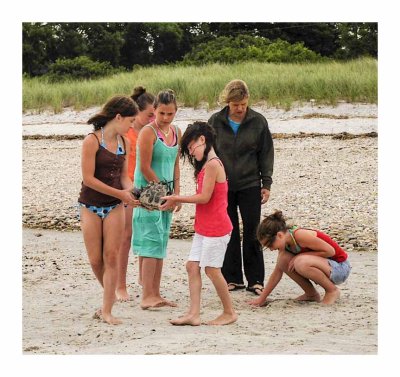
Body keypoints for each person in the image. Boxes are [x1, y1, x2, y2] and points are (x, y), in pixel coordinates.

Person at [160, 121, 238, 326]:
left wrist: (177, 198)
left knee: (212, 269)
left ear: (202, 140)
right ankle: (193, 314)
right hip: (204, 227)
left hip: (217, 228)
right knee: (192, 266)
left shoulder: (213, 164)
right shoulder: (207, 165)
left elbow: (204, 197)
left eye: (191, 147)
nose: (191, 153)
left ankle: (229, 312)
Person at [208, 79, 274, 296]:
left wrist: (266, 183)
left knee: (253, 231)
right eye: (236, 105)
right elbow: (209, 154)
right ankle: (233, 278)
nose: (240, 109)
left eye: (243, 104)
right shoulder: (215, 121)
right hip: (222, 185)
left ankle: (255, 280)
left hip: (250, 184)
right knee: (230, 231)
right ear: (228, 102)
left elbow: (266, 154)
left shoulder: (258, 121)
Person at [78, 95, 139, 325]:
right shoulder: (92, 141)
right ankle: (109, 295)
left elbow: (124, 177)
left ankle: (106, 310)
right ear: (118, 117)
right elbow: (88, 179)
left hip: (114, 206)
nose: (132, 126)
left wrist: (132, 193)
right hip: (90, 205)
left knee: (111, 257)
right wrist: (121, 194)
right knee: (95, 260)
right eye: (130, 121)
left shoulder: (125, 142)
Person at [132, 89, 182, 309]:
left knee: (161, 240)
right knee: (151, 240)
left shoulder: (177, 132)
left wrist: (177, 194)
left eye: (170, 114)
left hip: (167, 191)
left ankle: (155, 293)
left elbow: (175, 165)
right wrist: (163, 193)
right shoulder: (147, 132)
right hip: (149, 191)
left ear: (175, 112)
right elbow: (144, 167)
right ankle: (147, 295)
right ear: (154, 110)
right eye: (161, 113)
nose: (165, 118)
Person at [249, 211, 351, 306]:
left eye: (270, 245)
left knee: (300, 262)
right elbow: (277, 273)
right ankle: (311, 294)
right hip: (327, 266)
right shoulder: (285, 245)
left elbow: (330, 251)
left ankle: (331, 291)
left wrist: (300, 256)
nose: (271, 249)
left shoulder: (299, 235)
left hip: (340, 267)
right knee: (283, 260)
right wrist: (262, 298)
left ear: (279, 235)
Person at [116, 86, 155, 302]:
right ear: (138, 112)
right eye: (149, 114)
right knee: (126, 236)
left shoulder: (152, 132)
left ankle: (144, 280)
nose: (152, 119)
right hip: (130, 187)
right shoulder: (126, 132)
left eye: (154, 115)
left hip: (149, 187)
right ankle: (120, 285)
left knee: (148, 232)